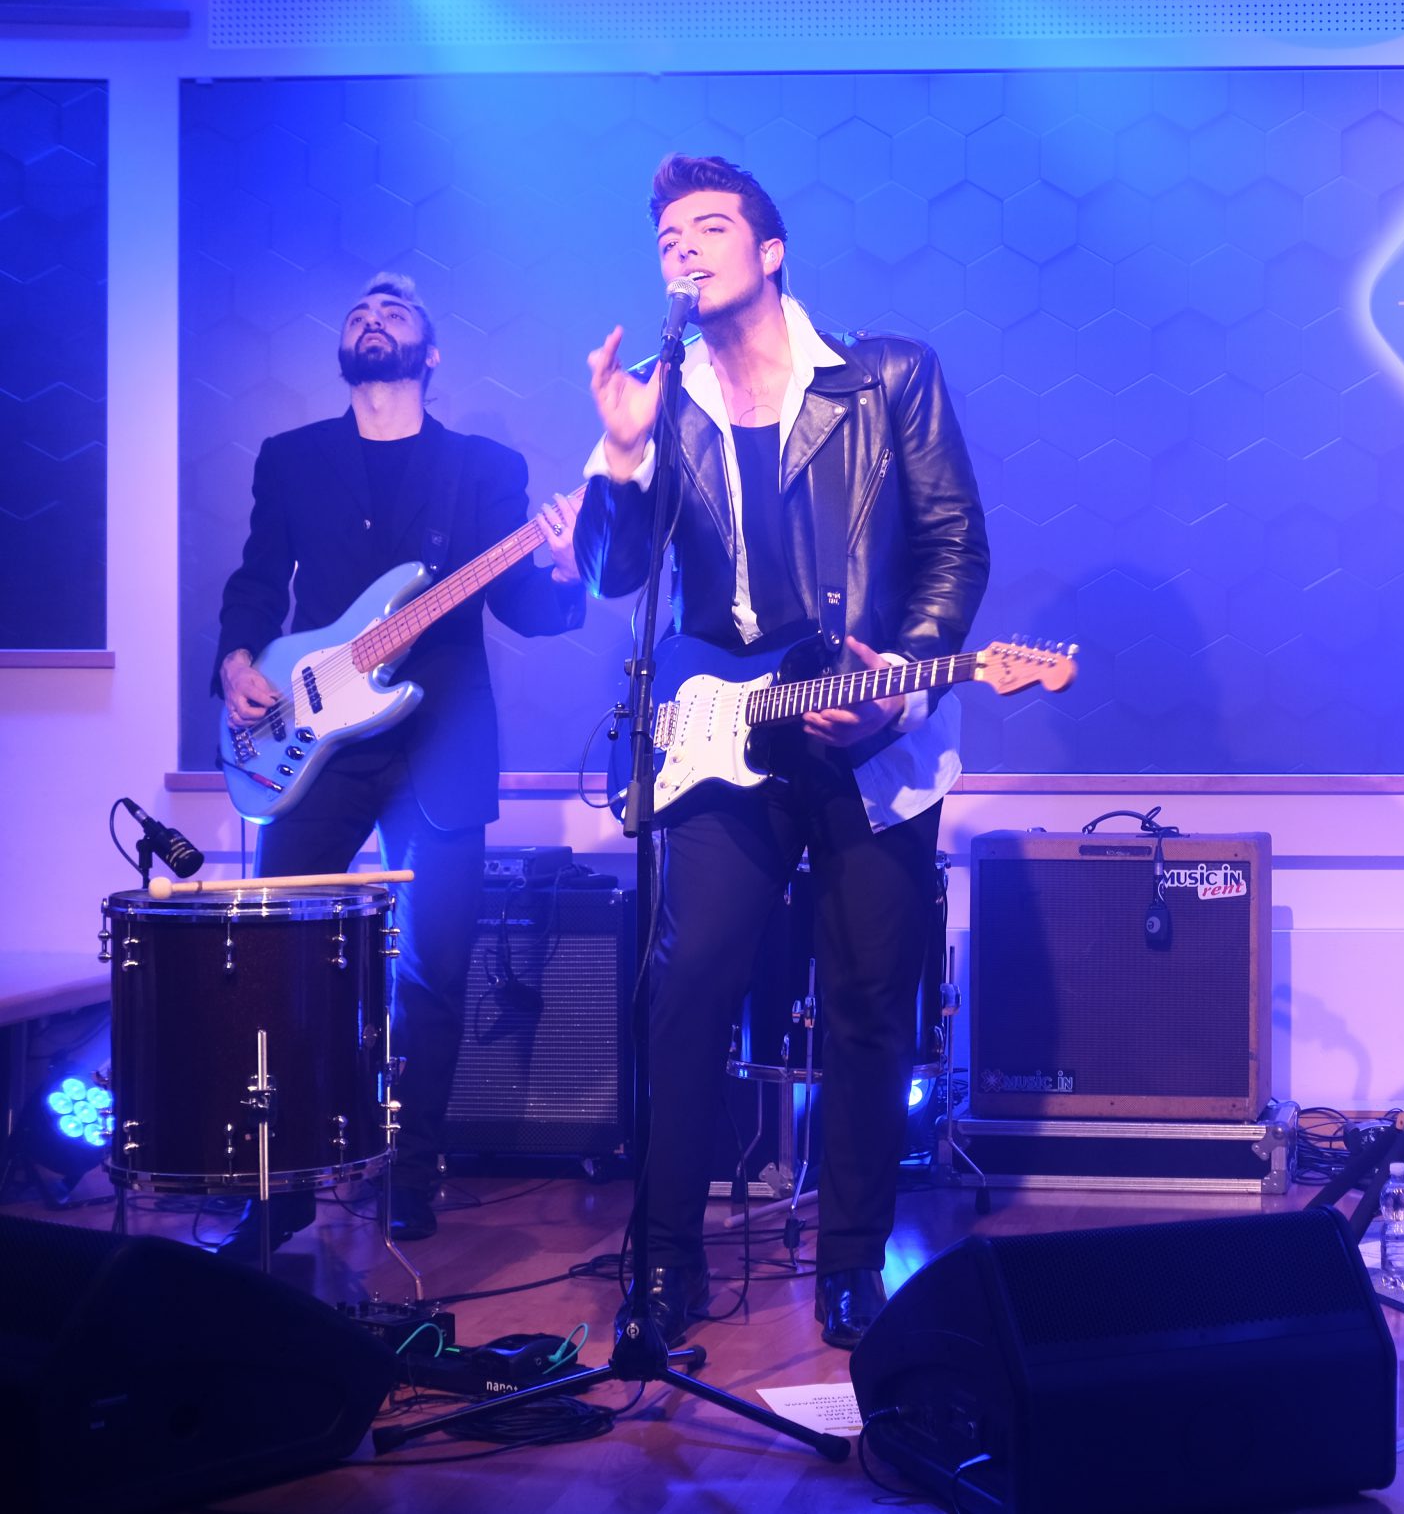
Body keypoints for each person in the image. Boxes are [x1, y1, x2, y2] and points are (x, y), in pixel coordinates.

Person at [574, 155, 988, 1351]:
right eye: (667, 239)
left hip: (870, 731)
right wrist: (620, 455)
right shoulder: (662, 405)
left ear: (770, 252)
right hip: (720, 732)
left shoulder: (887, 376)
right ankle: (665, 1264)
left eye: (709, 228)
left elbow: (955, 545)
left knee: (866, 1004)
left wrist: (895, 691)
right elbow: (612, 576)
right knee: (688, 986)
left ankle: (852, 1263)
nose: (683, 249)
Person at [214, 272, 586, 1255]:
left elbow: (523, 607)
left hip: (441, 740)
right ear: (346, 350)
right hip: (310, 740)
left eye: (394, 310)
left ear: (429, 353)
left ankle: (413, 1170)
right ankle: (284, 1182)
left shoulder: (483, 468)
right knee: (279, 959)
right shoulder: (291, 457)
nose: (371, 316)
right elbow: (258, 579)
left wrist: (563, 566)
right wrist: (238, 661)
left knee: (434, 969)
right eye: (358, 311)